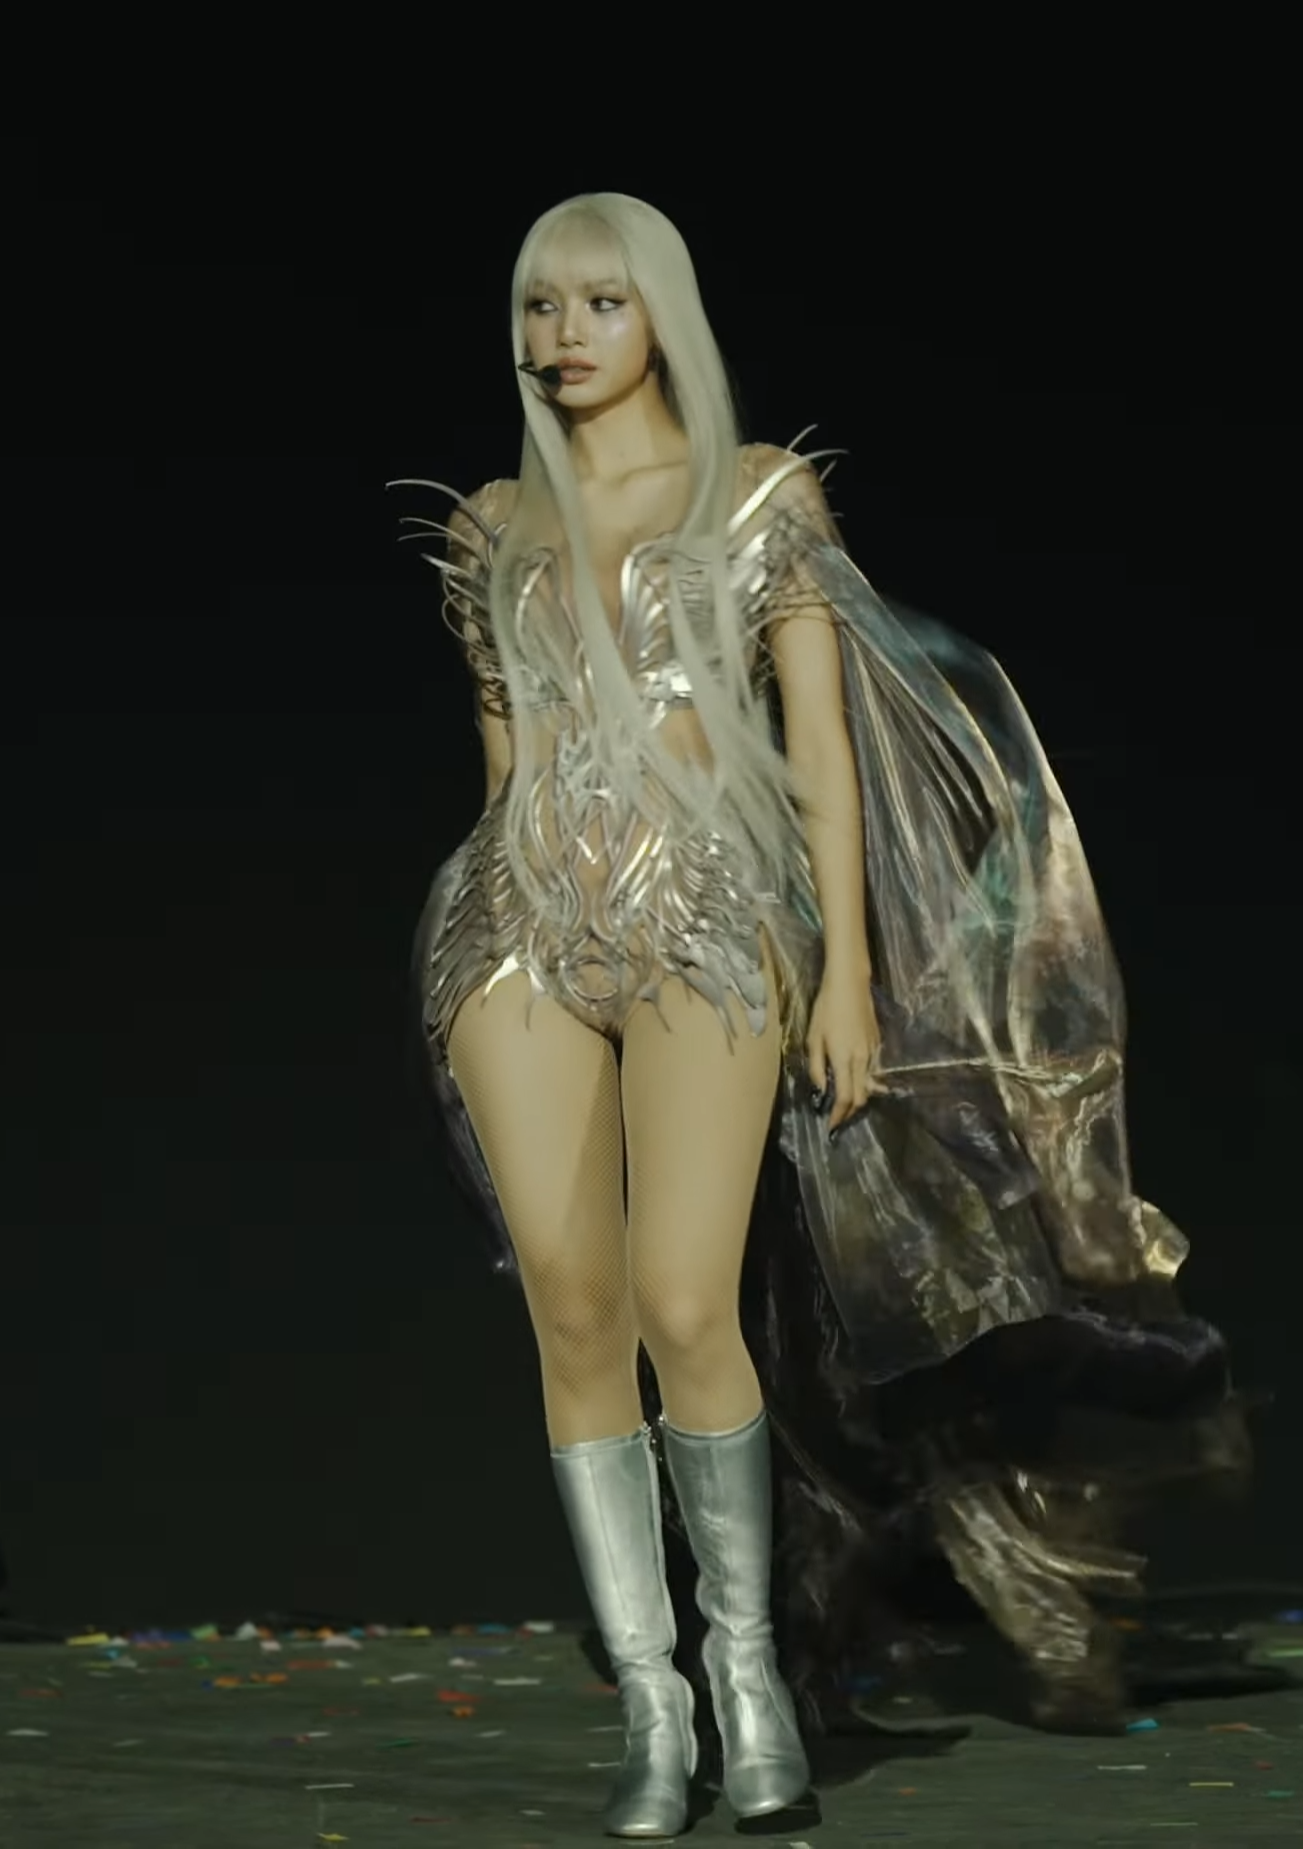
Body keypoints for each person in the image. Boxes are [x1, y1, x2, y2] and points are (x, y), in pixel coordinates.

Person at [395, 194, 1247, 1840]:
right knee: (571, 1311)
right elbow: (501, 761)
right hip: (517, 927)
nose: (562, 335)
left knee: (682, 1299)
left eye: (599, 303)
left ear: (663, 317)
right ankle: (652, 1705)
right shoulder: (493, 525)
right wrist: (489, 924)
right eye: (538, 305)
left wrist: (841, 971)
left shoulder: (759, 497)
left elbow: (825, 752)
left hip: (713, 916)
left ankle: (743, 1674)